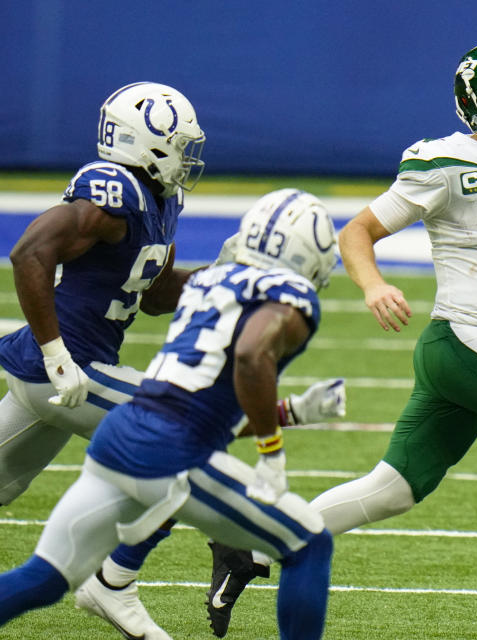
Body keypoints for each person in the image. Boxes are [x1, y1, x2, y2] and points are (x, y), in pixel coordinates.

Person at [209, 40, 477, 633]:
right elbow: (356, 232)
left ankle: (249, 545)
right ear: (472, 104)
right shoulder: (441, 163)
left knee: (392, 490)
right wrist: (373, 287)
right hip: (467, 338)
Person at [0, 83, 345, 640]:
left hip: (63, 375)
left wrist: (220, 284)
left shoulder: (158, 201)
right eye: (181, 145)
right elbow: (29, 252)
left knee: (40, 562)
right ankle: (134, 573)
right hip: (66, 369)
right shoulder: (110, 190)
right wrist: (56, 352)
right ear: (146, 142)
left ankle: (114, 582)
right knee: (175, 424)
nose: (189, 158)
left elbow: (155, 294)